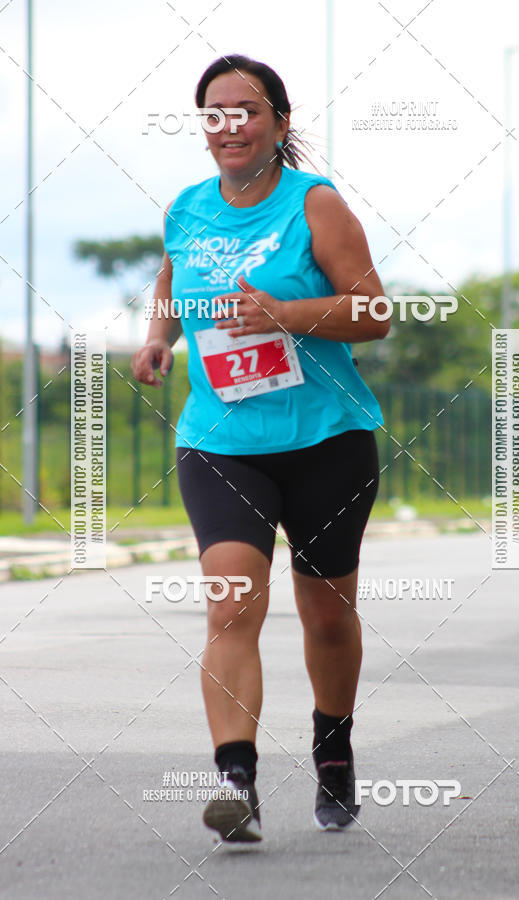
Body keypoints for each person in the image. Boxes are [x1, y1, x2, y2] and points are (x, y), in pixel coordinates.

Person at [131, 54, 389, 843]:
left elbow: (374, 311)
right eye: (214, 112)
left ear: (279, 122)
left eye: (246, 110)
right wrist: (158, 338)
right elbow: (176, 282)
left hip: (326, 440)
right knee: (231, 601)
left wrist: (288, 313)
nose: (230, 125)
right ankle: (235, 780)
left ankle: (333, 749)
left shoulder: (316, 205)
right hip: (222, 440)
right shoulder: (188, 208)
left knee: (328, 615)